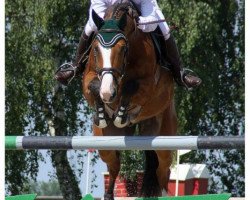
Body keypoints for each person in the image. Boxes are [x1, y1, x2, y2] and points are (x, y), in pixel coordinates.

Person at [55, 0, 201, 89]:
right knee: (89, 28)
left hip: (139, 15)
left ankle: (180, 73)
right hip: (108, 19)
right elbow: (96, 17)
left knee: (165, 30)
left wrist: (136, 20)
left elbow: (150, 20)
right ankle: (76, 67)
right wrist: (108, 24)